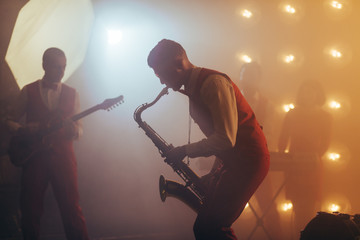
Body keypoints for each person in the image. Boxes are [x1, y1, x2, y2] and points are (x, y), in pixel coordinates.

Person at [147, 39, 270, 240]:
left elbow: (225, 139)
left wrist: (184, 151)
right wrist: (215, 173)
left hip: (249, 161)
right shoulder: (196, 88)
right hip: (236, 161)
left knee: (210, 228)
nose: (161, 82)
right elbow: (224, 141)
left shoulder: (213, 84)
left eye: (162, 74)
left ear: (179, 63)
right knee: (209, 228)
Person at [8, 47, 89, 240]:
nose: (61, 72)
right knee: (30, 210)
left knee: (71, 208)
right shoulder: (28, 90)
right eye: (56, 67)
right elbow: (8, 119)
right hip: (35, 159)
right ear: (44, 65)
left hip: (64, 159)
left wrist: (73, 131)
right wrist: (23, 129)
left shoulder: (73, 93)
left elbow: (79, 129)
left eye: (63, 67)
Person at [277, 79, 332, 239]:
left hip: (312, 167)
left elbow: (325, 143)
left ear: (317, 94)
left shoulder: (325, 116)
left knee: (310, 207)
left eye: (311, 91)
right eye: (304, 91)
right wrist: (284, 159)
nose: (307, 94)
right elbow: (282, 141)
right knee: (297, 206)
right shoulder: (292, 114)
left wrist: (312, 156)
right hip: (293, 166)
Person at [239, 62, 283, 239]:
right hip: (235, 162)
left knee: (269, 208)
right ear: (241, 77)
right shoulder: (231, 100)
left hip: (257, 161)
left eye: (252, 75)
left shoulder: (267, 105)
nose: (248, 79)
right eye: (245, 74)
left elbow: (270, 135)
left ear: (258, 79)